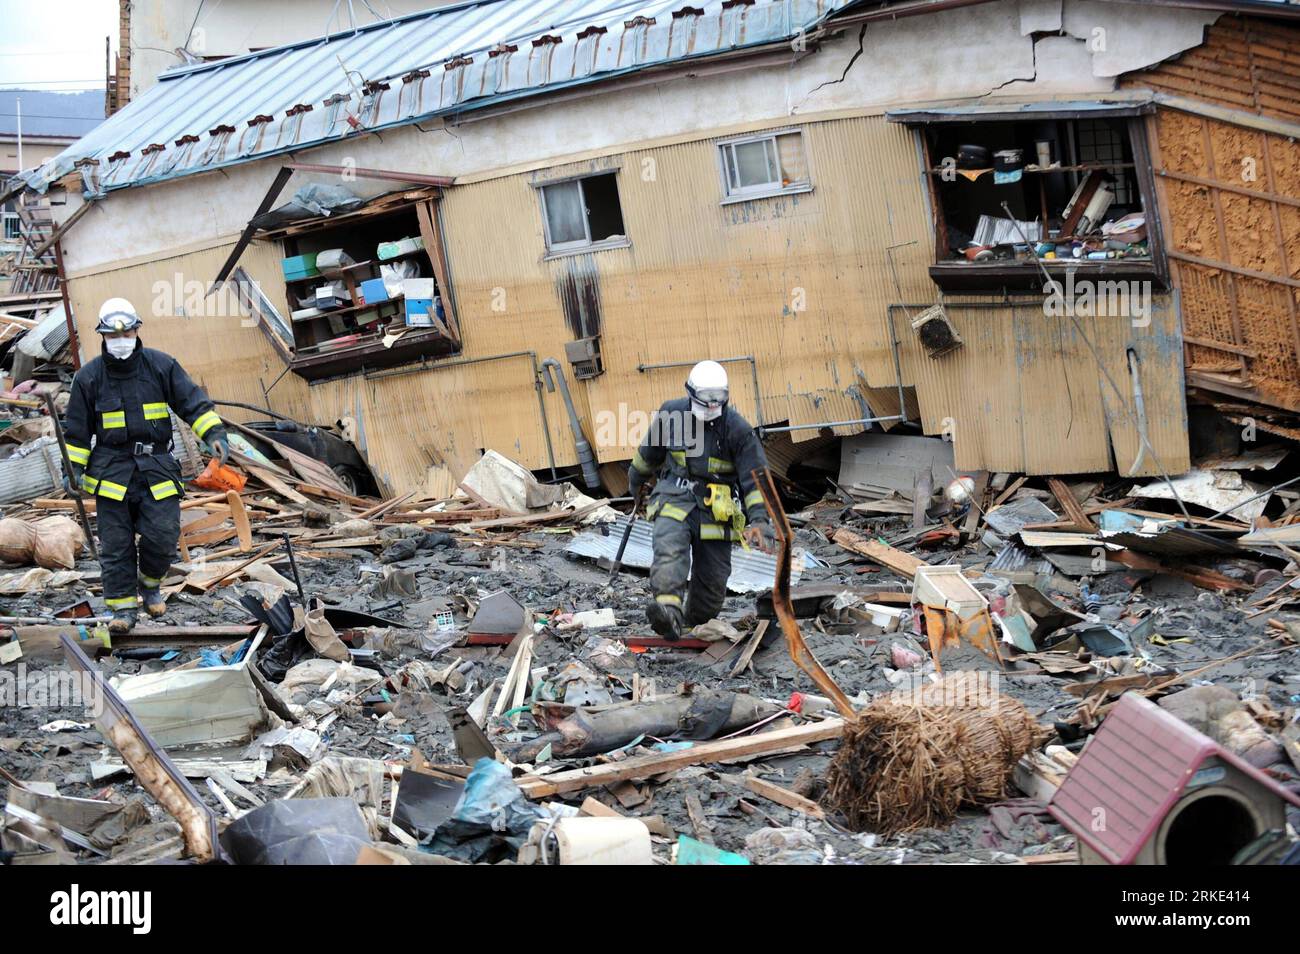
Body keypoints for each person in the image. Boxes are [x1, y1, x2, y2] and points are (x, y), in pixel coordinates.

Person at [64, 299, 230, 633]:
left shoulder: (161, 366)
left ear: (138, 330)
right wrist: (74, 470)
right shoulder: (88, 378)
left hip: (156, 467)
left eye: (127, 333)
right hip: (111, 472)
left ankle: (150, 583)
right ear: (103, 336)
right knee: (116, 546)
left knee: (163, 536)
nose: (121, 340)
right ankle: (123, 611)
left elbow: (192, 403)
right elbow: (77, 431)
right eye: (113, 335)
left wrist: (212, 433)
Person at [627, 360, 775, 641]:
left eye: (715, 403)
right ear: (690, 393)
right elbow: (648, 455)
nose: (709, 409)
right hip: (674, 498)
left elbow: (755, 481)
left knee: (712, 583)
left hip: (716, 512)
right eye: (703, 402)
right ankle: (668, 613)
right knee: (670, 550)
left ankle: (693, 623)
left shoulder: (738, 430)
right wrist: (635, 482)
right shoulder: (672, 413)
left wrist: (758, 519)